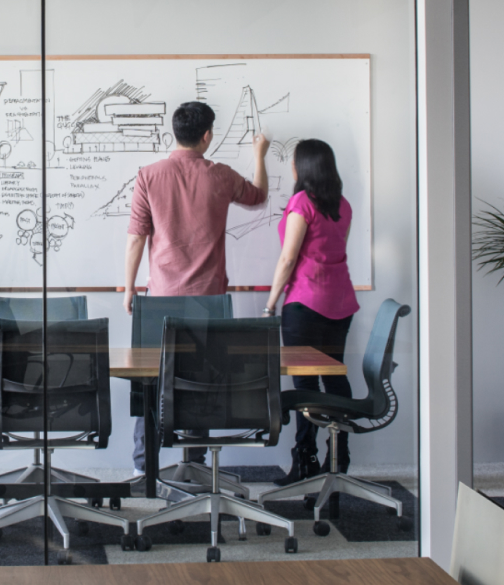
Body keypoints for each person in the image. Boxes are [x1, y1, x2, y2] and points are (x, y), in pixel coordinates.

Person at [123, 100, 270, 475]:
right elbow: (258, 196)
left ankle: (145, 465)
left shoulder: (149, 175)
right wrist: (259, 153)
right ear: (206, 136)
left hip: (161, 302)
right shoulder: (220, 175)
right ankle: (196, 460)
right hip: (209, 302)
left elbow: (137, 237)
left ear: (177, 132)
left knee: (152, 381)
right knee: (203, 380)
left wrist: (128, 288)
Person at [263, 138, 359, 486]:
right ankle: (338, 455)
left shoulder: (302, 202)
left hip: (305, 303)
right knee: (334, 378)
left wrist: (270, 303)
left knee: (304, 384)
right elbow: (336, 251)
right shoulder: (343, 206)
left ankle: (304, 460)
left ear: (301, 168)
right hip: (341, 302)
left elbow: (289, 258)